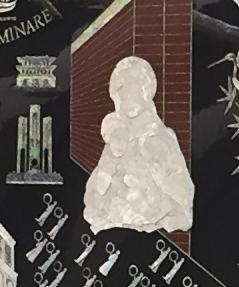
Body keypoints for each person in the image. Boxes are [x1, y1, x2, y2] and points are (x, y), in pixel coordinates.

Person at [82, 55, 192, 235]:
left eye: (134, 93)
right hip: (117, 227)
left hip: (152, 222)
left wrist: (153, 198)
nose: (129, 100)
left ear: (145, 93)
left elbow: (181, 193)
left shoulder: (162, 137)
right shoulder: (117, 139)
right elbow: (96, 189)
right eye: (124, 95)